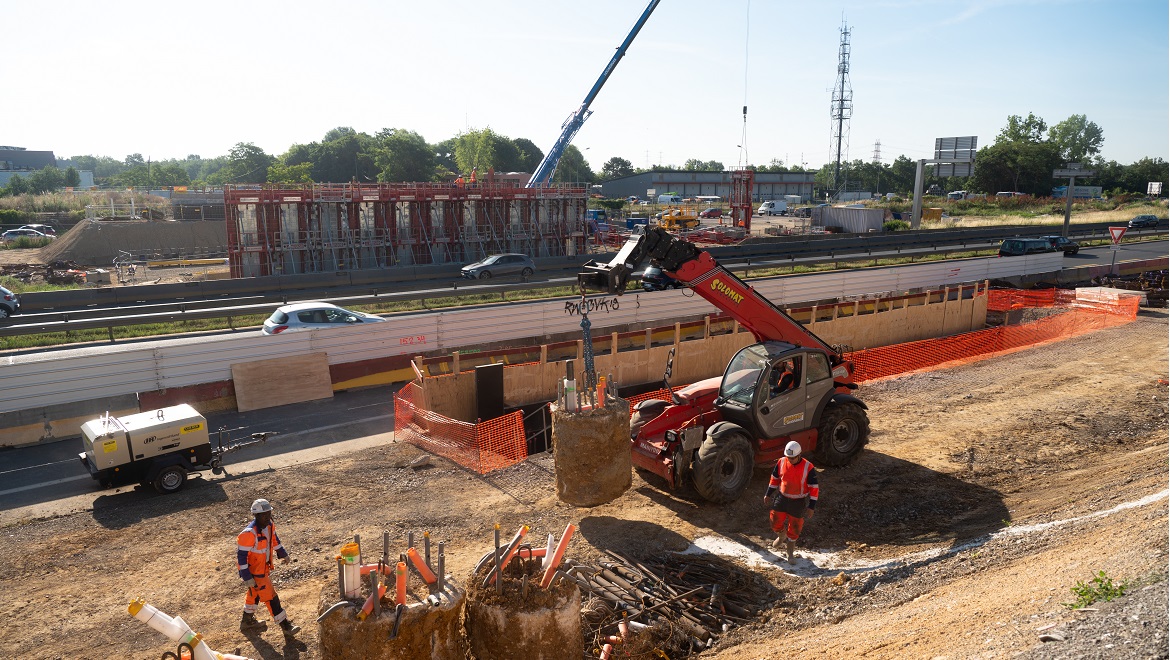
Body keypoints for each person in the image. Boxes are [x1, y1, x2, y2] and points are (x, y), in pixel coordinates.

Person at [237, 499, 300, 637]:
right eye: (264, 515)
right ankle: (286, 626)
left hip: (263, 569)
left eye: (269, 513)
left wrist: (283, 554)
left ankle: (246, 622)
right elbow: (241, 557)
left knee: (254, 595)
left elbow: (274, 540)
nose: (268, 517)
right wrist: (247, 577)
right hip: (255, 573)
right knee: (271, 597)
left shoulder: (270, 525)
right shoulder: (249, 533)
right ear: (256, 515)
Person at [763, 440, 818, 563]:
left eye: (792, 458)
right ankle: (781, 535)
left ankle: (790, 552)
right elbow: (774, 479)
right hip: (782, 498)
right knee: (774, 520)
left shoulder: (808, 467)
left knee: (795, 527)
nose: (790, 460)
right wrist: (768, 494)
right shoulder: (781, 462)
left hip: (798, 502)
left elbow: (814, 488)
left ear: (799, 455)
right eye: (788, 457)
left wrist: (811, 506)